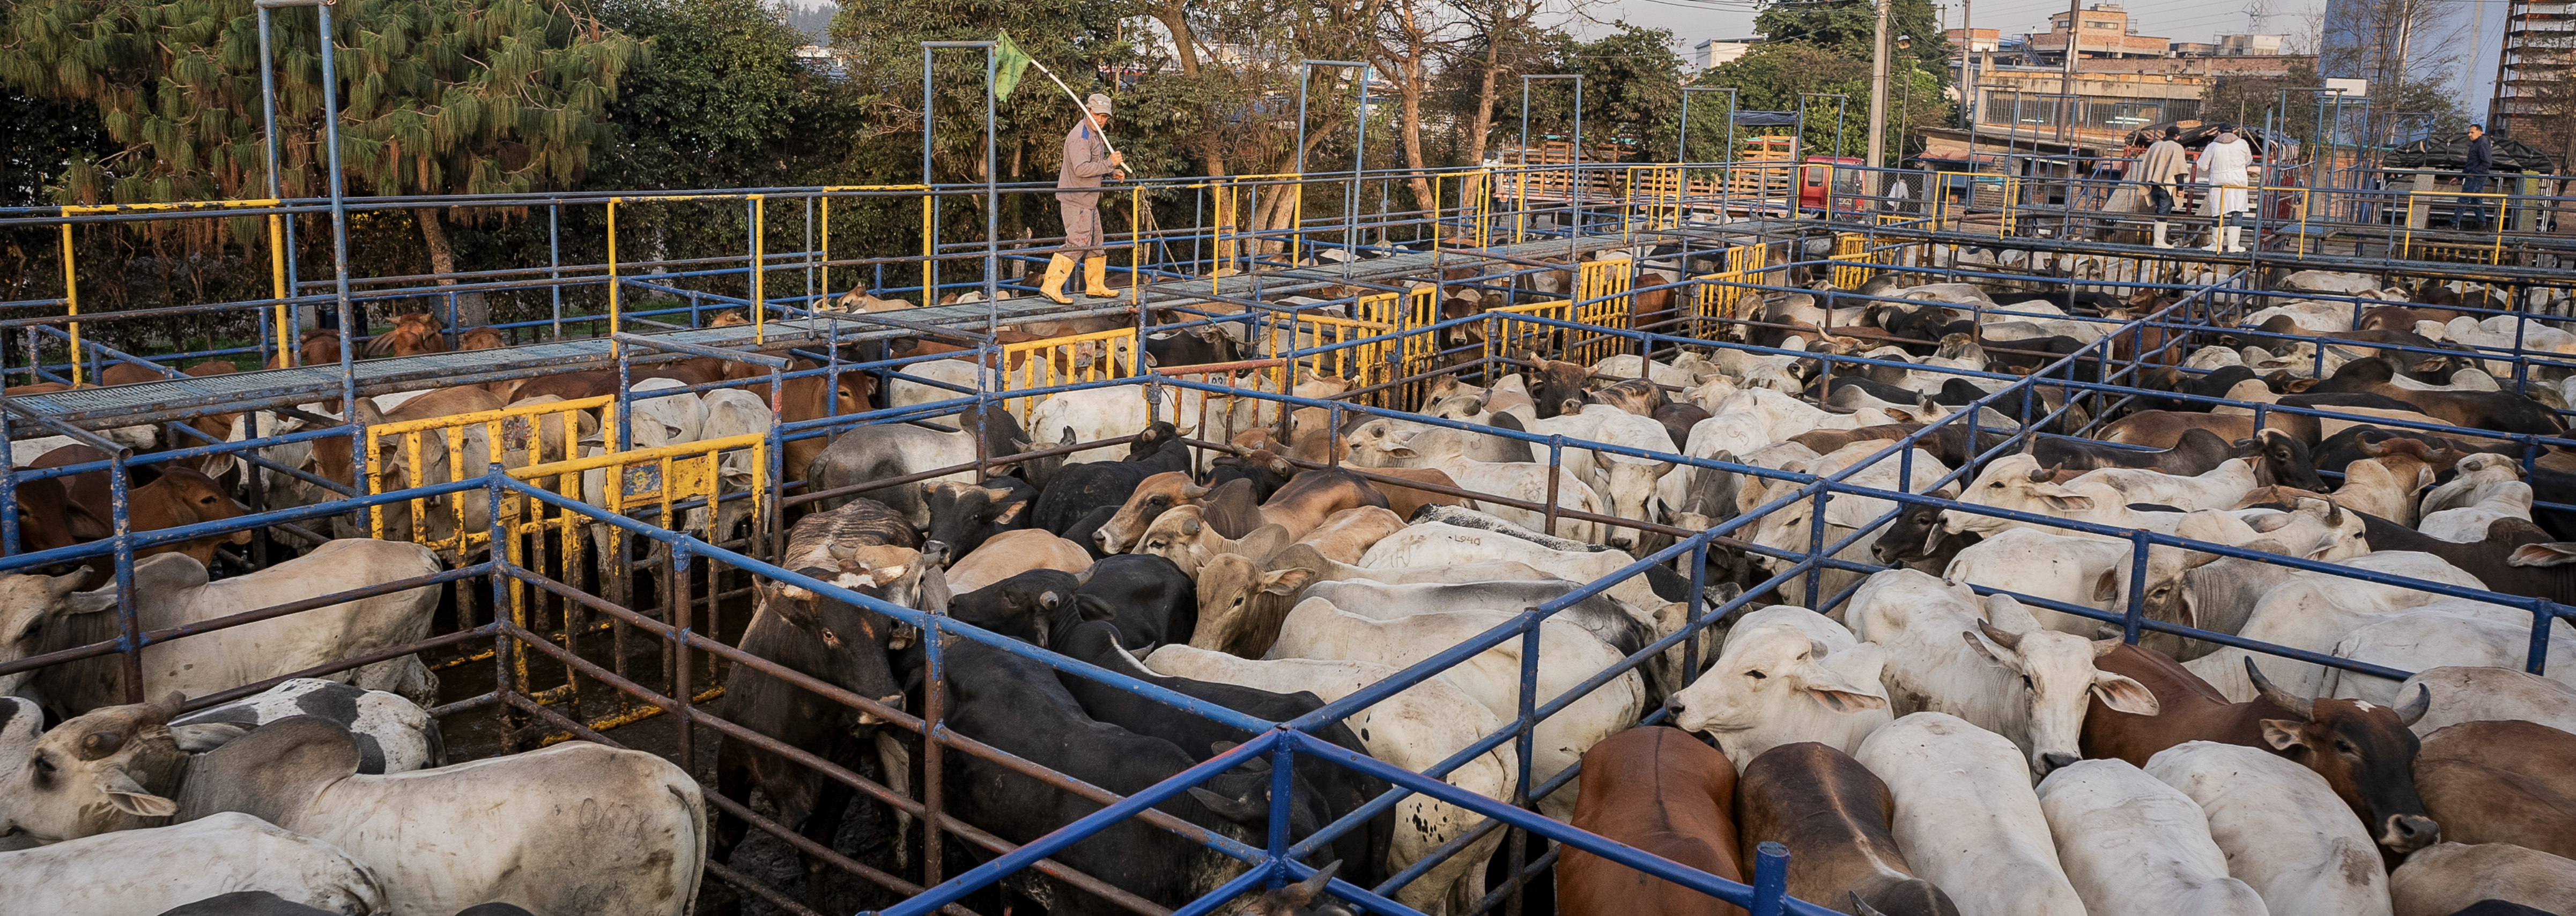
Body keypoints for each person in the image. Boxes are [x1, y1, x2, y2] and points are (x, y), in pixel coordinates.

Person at [1040, 93, 1125, 304]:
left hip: (1089, 199)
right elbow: (1080, 169)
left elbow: (1092, 164)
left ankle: (1095, 285)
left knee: (1096, 242)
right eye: (1097, 115)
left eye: (1105, 116)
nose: (1101, 120)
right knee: (1078, 242)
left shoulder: (1094, 133)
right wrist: (1109, 164)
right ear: (1088, 111)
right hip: (1076, 199)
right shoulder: (1081, 136)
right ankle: (1051, 285)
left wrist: (1109, 173)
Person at [2197, 126, 2254, 252]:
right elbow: (2249, 160)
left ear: (2219, 133)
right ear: (2233, 132)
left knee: (2218, 212)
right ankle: (2234, 246)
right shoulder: (2242, 143)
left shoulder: (2213, 146)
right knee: (2237, 212)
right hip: (2238, 182)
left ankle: (2216, 245)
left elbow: (2202, 166)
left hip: (2219, 182)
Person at [2135, 128, 2192, 248]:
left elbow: (2147, 164)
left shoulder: (2156, 146)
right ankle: (2159, 242)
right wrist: (2181, 188)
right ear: (2177, 136)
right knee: (2164, 213)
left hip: (2155, 184)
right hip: (2168, 185)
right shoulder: (2177, 148)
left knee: (2159, 211)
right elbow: (2179, 170)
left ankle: (2159, 240)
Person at [2456, 123, 2493, 230]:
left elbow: (2487, 163)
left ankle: (2453, 223)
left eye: (2472, 132)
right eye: (2469, 132)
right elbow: (2471, 164)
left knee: (2463, 199)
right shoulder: (2477, 144)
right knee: (2476, 200)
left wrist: (2474, 173)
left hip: (2476, 176)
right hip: (2477, 175)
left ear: (2480, 133)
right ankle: (2482, 224)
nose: (2469, 135)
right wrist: (2459, 177)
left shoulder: (2481, 144)